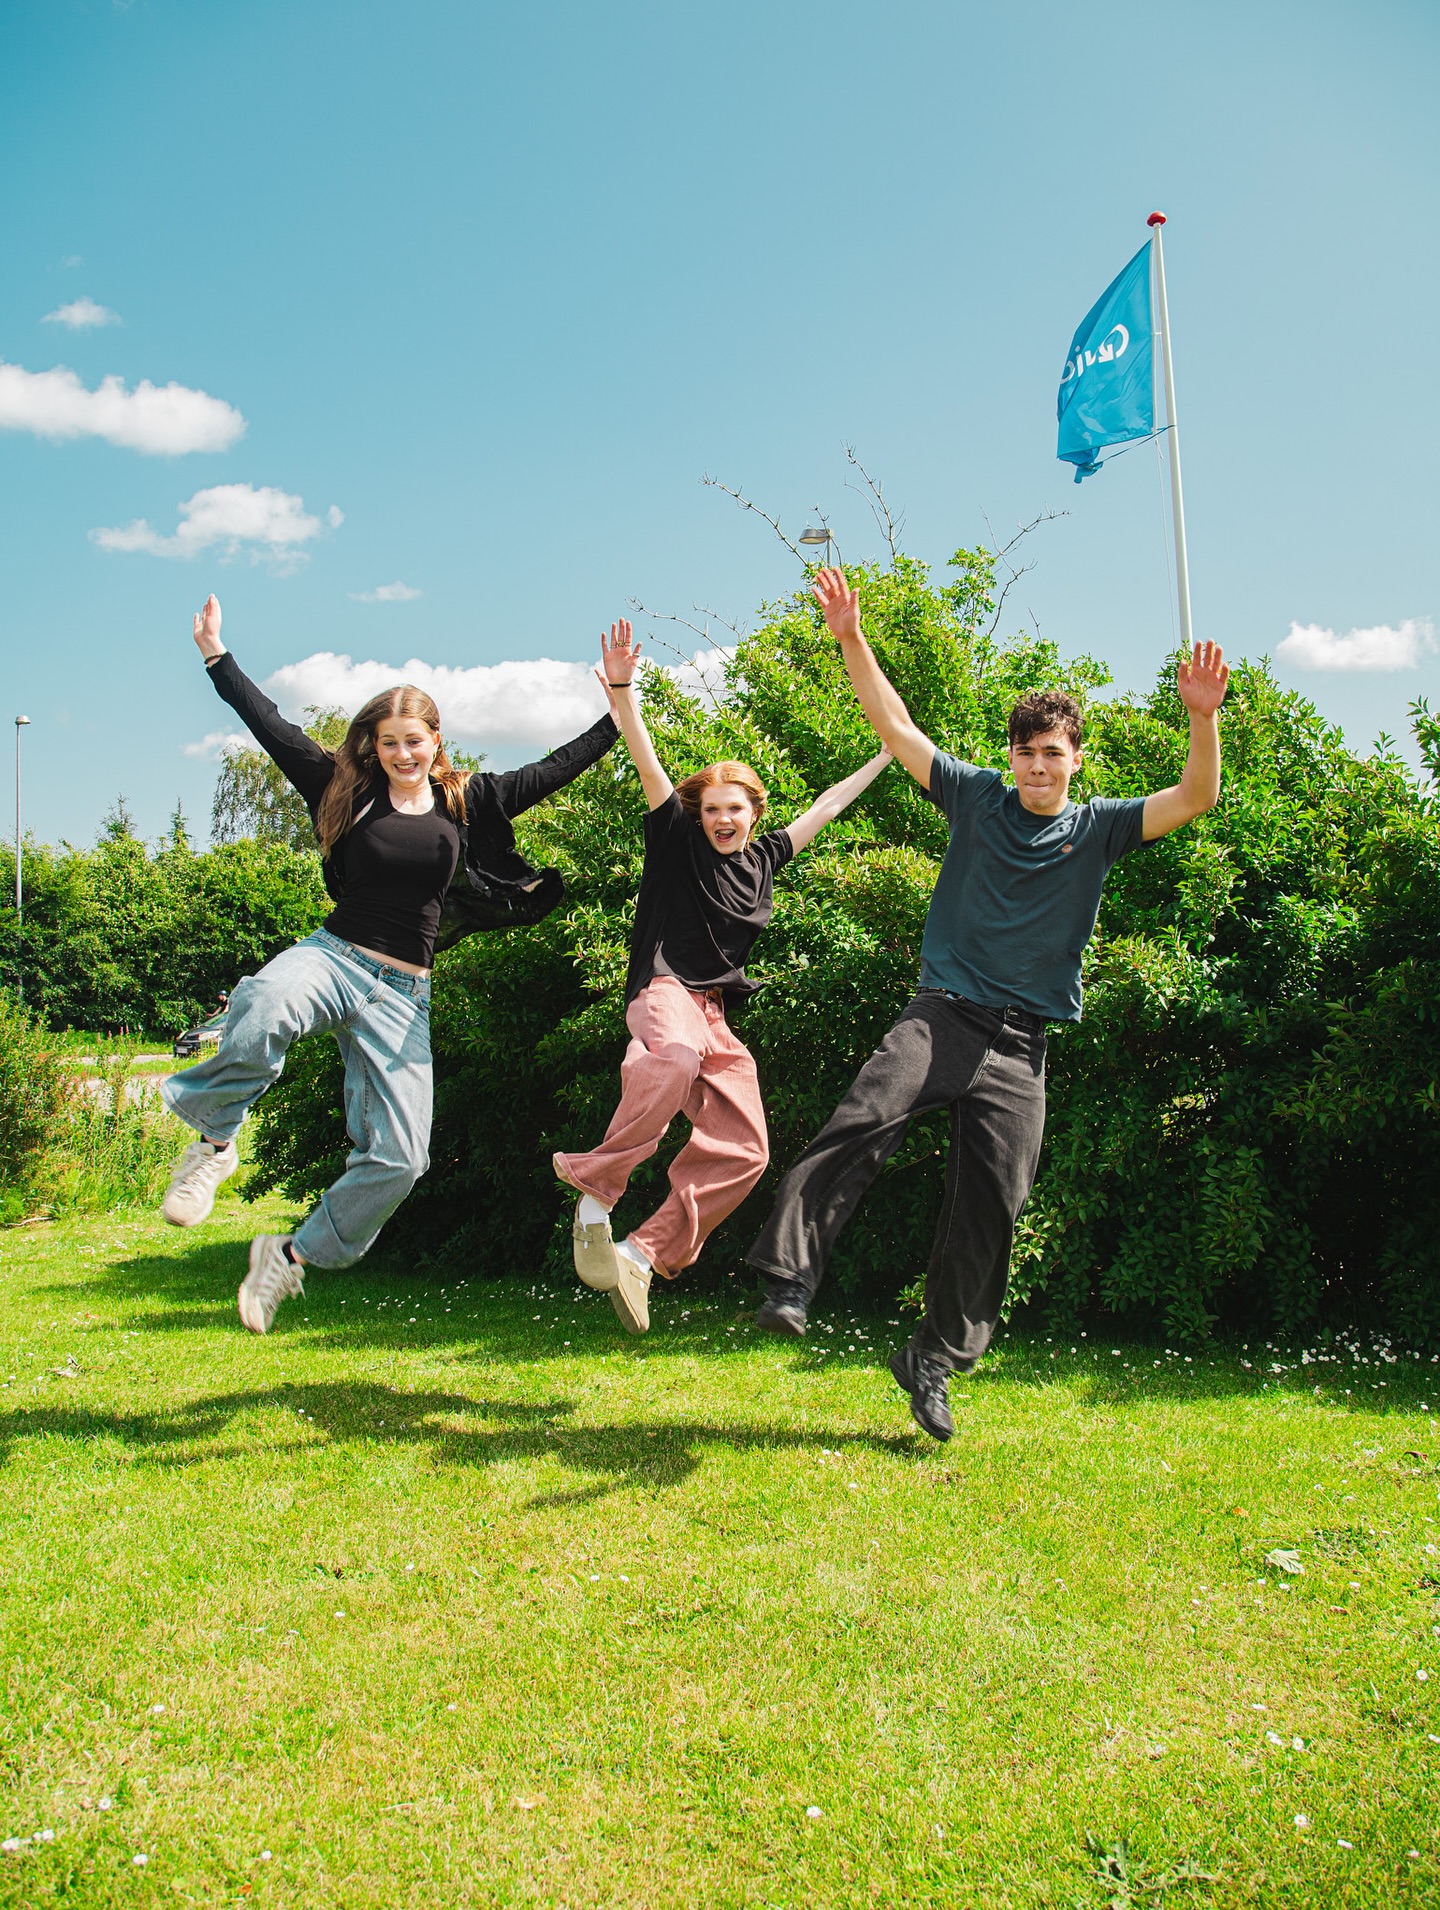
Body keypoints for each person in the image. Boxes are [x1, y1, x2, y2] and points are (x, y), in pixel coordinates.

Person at [748, 566, 1229, 1441]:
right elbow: (894, 729)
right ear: (1009, 756)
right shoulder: (975, 799)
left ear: (1075, 759)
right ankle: (790, 1278)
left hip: (1022, 1046)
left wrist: (1203, 720)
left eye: (1054, 752)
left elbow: (1197, 797)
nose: (1038, 765)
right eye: (1026, 750)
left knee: (994, 1204)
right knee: (866, 1116)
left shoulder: (1102, 827)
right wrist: (851, 638)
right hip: (944, 1015)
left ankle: (931, 1357)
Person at [160, 593, 619, 1334]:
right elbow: (272, 728)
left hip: (404, 995)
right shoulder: (345, 789)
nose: (402, 753)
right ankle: (214, 1142)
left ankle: (290, 1258)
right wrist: (218, 657)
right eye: (388, 742)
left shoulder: (472, 802)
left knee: (404, 1159)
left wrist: (619, 706)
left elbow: (556, 768)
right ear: (372, 747)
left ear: (438, 741)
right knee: (264, 1005)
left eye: (415, 740)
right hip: (335, 959)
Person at [553, 618, 893, 1335]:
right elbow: (646, 758)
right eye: (712, 810)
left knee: (747, 1148)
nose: (724, 820)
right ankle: (595, 1187)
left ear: (753, 812)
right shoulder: (675, 840)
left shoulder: (767, 857)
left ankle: (643, 1254)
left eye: (735, 808)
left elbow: (828, 804)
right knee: (670, 1059)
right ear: (697, 815)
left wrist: (889, 752)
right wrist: (622, 690)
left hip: (714, 1014)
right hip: (665, 992)